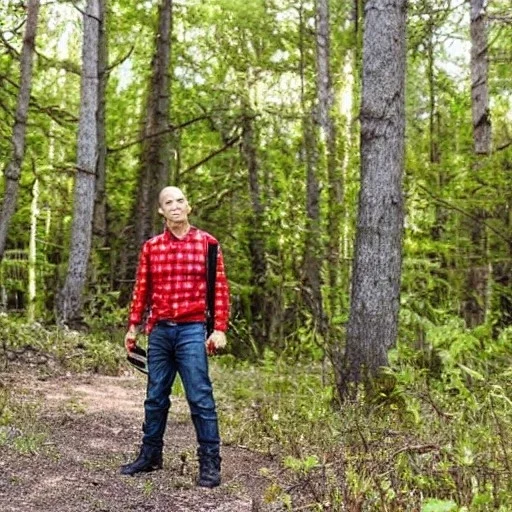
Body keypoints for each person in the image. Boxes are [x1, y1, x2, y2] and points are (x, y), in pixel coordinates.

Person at [120, 186, 230, 488]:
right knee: (155, 397)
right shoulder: (152, 247)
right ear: (161, 211)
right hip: (159, 331)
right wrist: (133, 326)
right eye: (169, 202)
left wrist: (219, 328)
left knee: (200, 397)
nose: (176, 206)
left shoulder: (208, 244)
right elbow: (141, 289)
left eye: (180, 200)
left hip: (192, 329)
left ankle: (210, 463)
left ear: (189, 206)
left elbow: (219, 288)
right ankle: (150, 455)